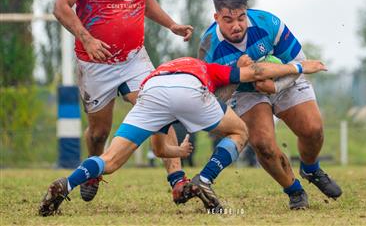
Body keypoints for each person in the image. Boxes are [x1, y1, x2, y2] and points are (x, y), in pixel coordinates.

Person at [38, 56, 328, 216]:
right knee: (240, 131)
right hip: (191, 89)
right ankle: (205, 178)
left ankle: (68, 183)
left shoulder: (163, 72)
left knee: (110, 159)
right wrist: (301, 68)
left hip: (149, 92)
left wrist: (179, 153)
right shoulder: (209, 68)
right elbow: (256, 71)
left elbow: (159, 147)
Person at [53, 0, 193, 203]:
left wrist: (171, 24)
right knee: (99, 131)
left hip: (133, 59)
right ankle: (92, 170)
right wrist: (88, 39)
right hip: (96, 64)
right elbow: (60, 6)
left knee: (161, 106)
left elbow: (145, 0)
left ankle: (178, 181)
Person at [198, 0, 342, 210]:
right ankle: (295, 191)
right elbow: (215, 97)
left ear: (247, 12)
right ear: (216, 17)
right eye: (228, 20)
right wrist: (236, 74)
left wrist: (274, 87)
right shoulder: (209, 46)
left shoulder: (269, 24)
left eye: (241, 18)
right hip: (244, 93)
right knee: (263, 144)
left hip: (285, 81)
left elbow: (299, 66)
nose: (236, 26)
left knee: (312, 129)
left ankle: (311, 169)